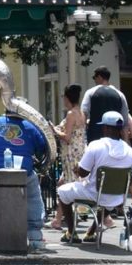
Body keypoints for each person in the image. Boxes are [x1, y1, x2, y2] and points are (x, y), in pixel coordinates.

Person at [57, 111, 132, 243]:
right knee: (108, 201)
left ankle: (71, 232)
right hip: (118, 198)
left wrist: (77, 168)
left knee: (62, 192)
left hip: (94, 193)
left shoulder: (96, 145)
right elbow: (131, 180)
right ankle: (91, 232)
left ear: (105, 128)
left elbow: (83, 173)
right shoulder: (131, 152)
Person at [0, 111, 48, 250]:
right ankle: (35, 235)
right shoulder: (29, 126)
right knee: (33, 197)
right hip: (23, 173)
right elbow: (41, 149)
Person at [50, 84, 86, 229]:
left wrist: (54, 130)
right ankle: (58, 219)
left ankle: (65, 219)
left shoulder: (71, 114)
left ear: (67, 98)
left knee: (69, 186)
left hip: (71, 154)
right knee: (62, 184)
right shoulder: (81, 113)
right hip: (79, 153)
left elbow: (67, 137)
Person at [81, 66, 132, 142]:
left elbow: (84, 114)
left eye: (95, 78)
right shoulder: (120, 94)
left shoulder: (90, 92)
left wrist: (82, 138)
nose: (95, 81)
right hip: (115, 139)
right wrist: (126, 141)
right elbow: (125, 122)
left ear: (99, 77)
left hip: (95, 138)